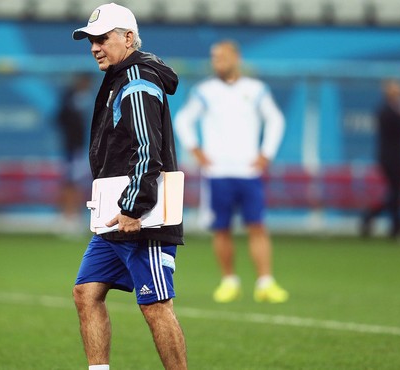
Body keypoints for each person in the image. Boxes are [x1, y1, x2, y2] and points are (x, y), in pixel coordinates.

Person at [71, 3, 187, 369]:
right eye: (91, 40)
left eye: (102, 38)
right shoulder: (122, 77)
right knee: (86, 293)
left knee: (155, 305)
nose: (94, 47)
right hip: (115, 214)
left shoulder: (137, 80)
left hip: (141, 217)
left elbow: (148, 149)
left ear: (129, 38)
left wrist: (133, 207)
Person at [174, 40, 288, 304]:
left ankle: (265, 282)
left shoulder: (255, 89)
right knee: (221, 228)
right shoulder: (205, 91)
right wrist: (197, 152)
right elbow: (183, 120)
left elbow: (275, 120)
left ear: (236, 57)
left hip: (248, 172)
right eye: (214, 58)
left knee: (257, 226)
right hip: (218, 172)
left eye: (222, 57)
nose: (218, 62)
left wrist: (265, 154)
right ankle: (229, 281)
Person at [361, 79, 400, 238]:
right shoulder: (387, 111)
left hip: (395, 156)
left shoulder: (394, 110)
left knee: (395, 193)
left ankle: (386, 223)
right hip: (390, 158)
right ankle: (390, 225)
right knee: (395, 193)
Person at [56, 72, 93, 235]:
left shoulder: (87, 98)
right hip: (73, 148)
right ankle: (69, 217)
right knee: (71, 182)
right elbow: (60, 118)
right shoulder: (70, 99)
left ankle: (74, 216)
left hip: (82, 147)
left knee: (77, 182)